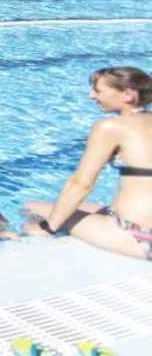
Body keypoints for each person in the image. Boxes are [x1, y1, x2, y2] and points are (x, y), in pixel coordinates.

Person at [23, 67, 152, 261]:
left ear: (127, 95)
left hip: (138, 235)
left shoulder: (111, 127)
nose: (91, 95)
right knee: (83, 207)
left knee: (31, 208)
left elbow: (81, 184)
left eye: (98, 90)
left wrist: (47, 228)